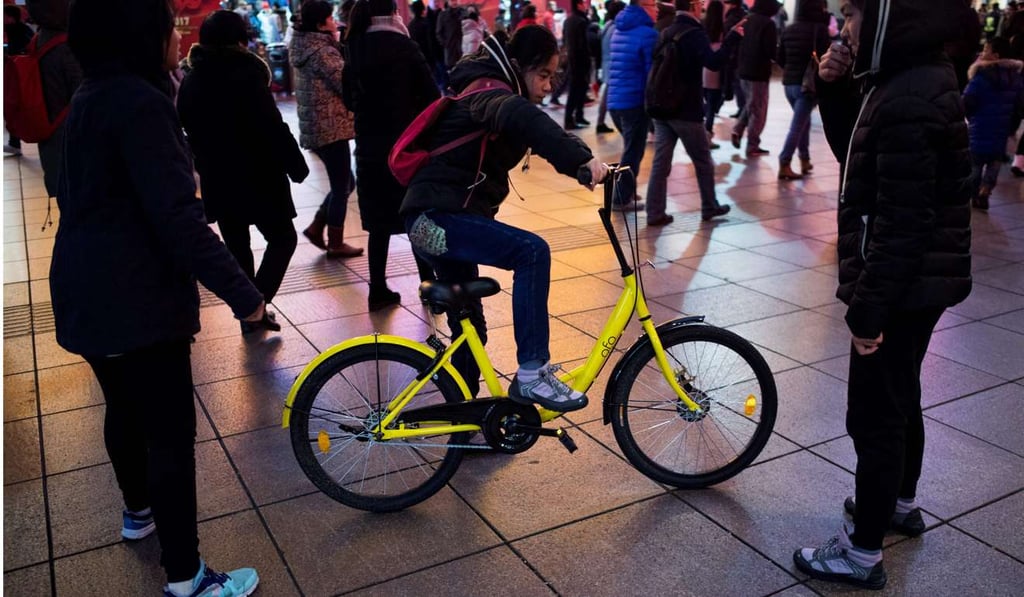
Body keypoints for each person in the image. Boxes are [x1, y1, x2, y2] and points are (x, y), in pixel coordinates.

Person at [52, 0, 277, 594]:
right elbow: (177, 220)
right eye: (168, 26)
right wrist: (247, 298)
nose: (178, 37)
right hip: (138, 297)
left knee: (122, 409)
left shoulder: (90, 96)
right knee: (170, 435)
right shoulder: (142, 102)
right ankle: (187, 576)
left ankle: (137, 513)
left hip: (85, 288)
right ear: (140, 35)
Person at [794, 0, 973, 589]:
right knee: (899, 396)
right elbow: (859, 160)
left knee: (873, 415)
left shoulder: (909, 95)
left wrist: (869, 308)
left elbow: (904, 218)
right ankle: (896, 503)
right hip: (916, 279)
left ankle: (862, 552)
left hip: (901, 281)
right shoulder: (903, 79)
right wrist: (836, 89)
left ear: (888, 20)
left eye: (852, 15)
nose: (843, 28)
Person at [400, 27, 607, 407]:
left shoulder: (484, 86)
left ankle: (464, 416)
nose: (548, 85)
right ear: (519, 67)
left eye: (553, 77)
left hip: (432, 219)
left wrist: (579, 165)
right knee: (531, 252)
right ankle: (532, 373)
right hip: (437, 220)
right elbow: (523, 118)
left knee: (469, 328)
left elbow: (536, 131)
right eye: (543, 75)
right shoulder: (490, 92)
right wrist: (582, 159)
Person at [177, 10, 308, 327]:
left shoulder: (192, 80)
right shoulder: (248, 74)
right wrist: (296, 165)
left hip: (219, 179)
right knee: (283, 238)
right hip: (259, 177)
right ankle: (255, 306)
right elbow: (272, 127)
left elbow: (187, 128)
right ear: (240, 40)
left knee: (238, 249)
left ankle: (250, 312)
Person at [344, 0, 440, 310]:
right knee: (414, 215)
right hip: (406, 146)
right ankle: (429, 285)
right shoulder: (404, 46)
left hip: (370, 147)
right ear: (392, 14)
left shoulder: (354, 47)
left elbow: (349, 99)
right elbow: (432, 96)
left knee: (379, 224)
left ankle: (378, 289)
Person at [645, 0, 740, 226]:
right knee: (703, 161)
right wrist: (733, 39)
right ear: (694, 6)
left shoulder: (665, 31)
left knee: (661, 163)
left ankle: (654, 212)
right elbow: (714, 63)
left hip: (661, 107)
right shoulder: (694, 33)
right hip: (686, 110)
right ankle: (709, 206)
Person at [289, 0, 363, 258]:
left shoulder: (306, 46)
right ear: (321, 24)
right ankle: (335, 241)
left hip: (319, 126)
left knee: (345, 182)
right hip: (330, 127)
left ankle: (318, 225)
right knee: (343, 185)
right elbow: (345, 83)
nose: (335, 22)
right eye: (330, 19)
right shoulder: (322, 51)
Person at [21, 0, 83, 196]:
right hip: (73, 144)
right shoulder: (68, 47)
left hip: (51, 141)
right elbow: (84, 96)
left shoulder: (41, 39)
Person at [607, 0, 658, 211]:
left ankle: (625, 190)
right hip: (634, 100)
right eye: (653, 4)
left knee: (632, 148)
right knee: (633, 151)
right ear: (644, 6)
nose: (656, 9)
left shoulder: (618, 28)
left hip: (615, 100)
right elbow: (651, 73)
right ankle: (620, 197)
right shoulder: (648, 34)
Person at [963, 36, 1024, 209]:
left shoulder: (981, 77)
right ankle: (986, 188)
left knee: (975, 164)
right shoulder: (1015, 78)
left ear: (995, 55)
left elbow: (968, 100)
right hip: (1001, 130)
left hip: (979, 129)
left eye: (986, 50)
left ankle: (974, 194)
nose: (982, 53)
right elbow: (1020, 102)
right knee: (994, 163)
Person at [775, 0, 830, 180]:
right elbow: (825, 59)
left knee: (803, 123)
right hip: (807, 86)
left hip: (788, 85)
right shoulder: (819, 29)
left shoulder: (789, 29)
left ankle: (805, 159)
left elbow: (780, 58)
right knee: (797, 127)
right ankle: (784, 162)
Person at [730, 0, 777, 157]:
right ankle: (752, 145)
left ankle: (737, 130)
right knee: (757, 110)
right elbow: (770, 50)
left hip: (743, 69)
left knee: (751, 104)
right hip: (759, 72)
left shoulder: (747, 19)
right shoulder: (767, 24)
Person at [3, 5, 34, 156]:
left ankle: (16, 142)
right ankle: (14, 142)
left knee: (15, 108)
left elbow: (26, 52)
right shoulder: (16, 29)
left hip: (20, 76)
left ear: (10, 17)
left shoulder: (21, 31)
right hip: (15, 75)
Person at [595, 0, 625, 133]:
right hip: (613, 66)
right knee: (610, 97)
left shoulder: (607, 26)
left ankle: (601, 122)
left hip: (607, 64)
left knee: (607, 95)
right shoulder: (615, 28)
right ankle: (602, 122)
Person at [563, 0, 591, 129]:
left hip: (572, 59)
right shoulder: (581, 21)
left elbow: (565, 41)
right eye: (583, 3)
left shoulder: (568, 21)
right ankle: (570, 119)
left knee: (576, 90)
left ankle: (577, 116)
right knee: (578, 90)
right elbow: (583, 44)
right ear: (578, 5)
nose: (585, 6)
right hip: (581, 60)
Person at [702, 0, 726, 145]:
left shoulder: (702, 26)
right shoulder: (722, 28)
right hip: (716, 68)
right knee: (712, 104)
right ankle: (707, 135)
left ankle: (704, 134)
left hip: (703, 66)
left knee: (707, 103)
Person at [721, 0, 747, 117]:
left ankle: (742, 109)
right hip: (740, 56)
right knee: (737, 85)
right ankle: (742, 109)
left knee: (737, 84)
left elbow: (727, 36)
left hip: (733, 56)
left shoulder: (732, 18)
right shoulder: (742, 16)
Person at [409, 0, 442, 87]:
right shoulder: (426, 23)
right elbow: (430, 42)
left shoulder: (410, 26)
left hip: (417, 58)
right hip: (429, 57)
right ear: (423, 10)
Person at [436, 0, 464, 74]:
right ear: (448, 1)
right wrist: (446, 44)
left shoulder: (464, 12)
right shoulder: (443, 15)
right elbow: (439, 33)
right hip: (450, 50)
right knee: (453, 74)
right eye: (452, 0)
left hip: (464, 49)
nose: (454, 2)